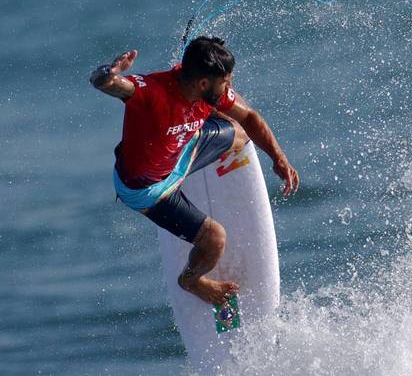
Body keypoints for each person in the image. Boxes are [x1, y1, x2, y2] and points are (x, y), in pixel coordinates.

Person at [89, 36, 299, 304]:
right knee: (214, 239)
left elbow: (249, 117)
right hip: (148, 190)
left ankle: (203, 125)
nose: (229, 86)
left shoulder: (202, 87)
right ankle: (192, 281)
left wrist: (278, 158)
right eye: (225, 82)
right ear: (202, 83)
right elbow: (103, 83)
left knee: (240, 132)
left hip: (182, 150)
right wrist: (110, 72)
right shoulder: (151, 92)